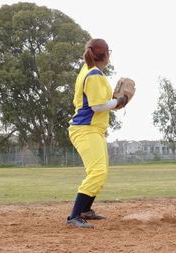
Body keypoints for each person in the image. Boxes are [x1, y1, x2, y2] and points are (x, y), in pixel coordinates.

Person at [66, 38, 129, 228]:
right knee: (97, 171)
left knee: (101, 172)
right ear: (106, 55)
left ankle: (85, 210)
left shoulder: (91, 71)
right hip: (86, 129)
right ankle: (74, 216)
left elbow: (98, 102)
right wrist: (120, 101)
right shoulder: (93, 74)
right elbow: (96, 106)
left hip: (93, 129)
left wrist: (114, 101)